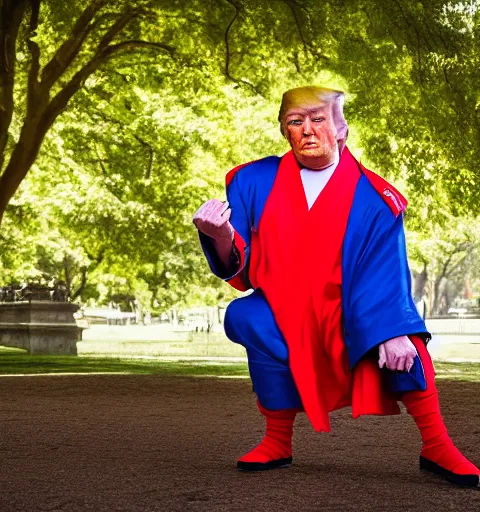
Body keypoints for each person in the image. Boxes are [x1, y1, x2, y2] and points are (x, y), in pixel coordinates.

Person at [193, 86, 479, 488]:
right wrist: (219, 234)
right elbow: (237, 269)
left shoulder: (378, 197)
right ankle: (277, 441)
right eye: (296, 121)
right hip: (283, 307)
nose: (307, 130)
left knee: (405, 344)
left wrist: (391, 330)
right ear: (284, 131)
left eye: (318, 119)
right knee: (248, 315)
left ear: (341, 129)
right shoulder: (251, 180)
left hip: (348, 311)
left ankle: (437, 445)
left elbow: (386, 272)